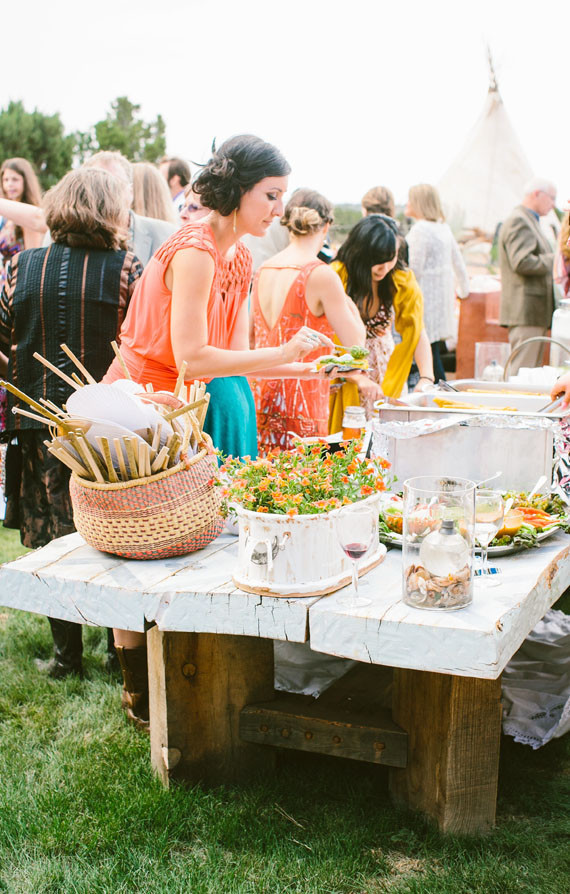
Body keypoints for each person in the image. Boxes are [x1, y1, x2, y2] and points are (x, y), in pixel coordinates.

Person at [103, 135, 333, 729]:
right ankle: (137, 691)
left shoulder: (240, 258)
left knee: (175, 545)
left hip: (181, 412)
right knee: (136, 548)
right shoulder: (197, 250)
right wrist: (283, 351)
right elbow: (190, 358)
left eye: (282, 196)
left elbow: (229, 359)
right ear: (238, 190)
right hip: (137, 409)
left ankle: (181, 681)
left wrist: (303, 366)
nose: (279, 209)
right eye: (270, 195)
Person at [0, 167, 143, 680]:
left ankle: (67, 656)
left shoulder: (20, 266)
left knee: (53, 537)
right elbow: (139, 341)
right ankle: (116, 649)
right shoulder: (127, 267)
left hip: (39, 422)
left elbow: (3, 334)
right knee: (114, 529)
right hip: (108, 424)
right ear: (113, 212)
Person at [251, 188, 365, 452]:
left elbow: (251, 338)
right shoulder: (321, 275)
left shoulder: (263, 269)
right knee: (300, 475)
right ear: (326, 227)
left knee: (260, 474)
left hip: (260, 396)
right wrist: (352, 310)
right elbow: (356, 350)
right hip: (302, 401)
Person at [329, 215, 431, 426]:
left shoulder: (401, 280)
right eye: (377, 261)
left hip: (386, 371)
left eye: (390, 259)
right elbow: (324, 337)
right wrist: (356, 376)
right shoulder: (336, 276)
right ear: (361, 253)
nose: (384, 268)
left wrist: (426, 378)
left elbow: (416, 331)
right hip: (340, 369)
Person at [406, 183, 470, 383]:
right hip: (441, 302)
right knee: (432, 351)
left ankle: (436, 390)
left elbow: (413, 270)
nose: (407, 204)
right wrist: (464, 291)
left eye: (410, 200)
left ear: (419, 203)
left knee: (426, 354)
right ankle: (440, 389)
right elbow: (459, 263)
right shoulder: (443, 228)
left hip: (423, 299)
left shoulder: (420, 230)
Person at [498, 177, 557, 372]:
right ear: (536, 194)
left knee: (528, 374)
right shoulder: (519, 220)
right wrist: (556, 259)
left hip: (533, 312)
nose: (553, 204)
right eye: (552, 198)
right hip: (525, 312)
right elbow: (522, 262)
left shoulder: (530, 220)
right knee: (521, 373)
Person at [0, 158, 46, 290]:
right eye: (6, 180)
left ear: (26, 181)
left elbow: (33, 259)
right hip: (5, 282)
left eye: (15, 179)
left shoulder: (28, 216)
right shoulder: (6, 216)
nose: (9, 184)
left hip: (18, 284)